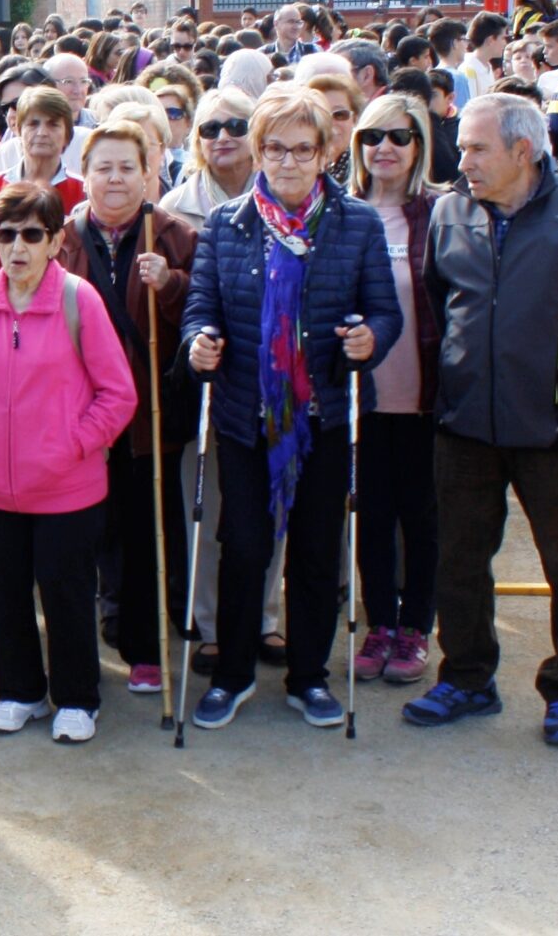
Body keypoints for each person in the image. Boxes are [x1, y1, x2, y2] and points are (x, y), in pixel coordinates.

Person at [408, 94, 558, 748]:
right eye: (462, 147)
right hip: (464, 426)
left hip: (555, 432)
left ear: (524, 150)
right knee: (459, 559)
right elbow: (438, 304)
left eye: (478, 147)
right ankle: (467, 675)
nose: (464, 159)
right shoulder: (451, 212)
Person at [181, 87, 401, 730]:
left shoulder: (355, 221)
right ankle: (233, 672)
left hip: (325, 415)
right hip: (247, 416)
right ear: (257, 151)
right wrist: (200, 342)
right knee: (244, 546)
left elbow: (383, 311)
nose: (288, 162)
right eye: (275, 148)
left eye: (303, 149)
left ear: (326, 151)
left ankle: (309, 675)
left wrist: (370, 340)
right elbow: (203, 306)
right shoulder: (228, 224)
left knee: (313, 550)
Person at [0, 180, 138, 742]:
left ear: (54, 240)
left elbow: (118, 393)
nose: (17, 245)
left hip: (67, 488)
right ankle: (20, 691)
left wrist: (71, 446)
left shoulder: (79, 299)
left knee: (66, 592)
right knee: (2, 593)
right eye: (6, 233)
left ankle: (77, 697)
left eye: (32, 233)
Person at [55, 119, 195, 692]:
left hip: (148, 418)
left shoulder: (175, 236)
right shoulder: (60, 238)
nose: (114, 178)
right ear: (83, 174)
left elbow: (203, 318)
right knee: (86, 530)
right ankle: (94, 630)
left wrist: (174, 284)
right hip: (79, 417)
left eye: (126, 167)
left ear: (149, 171)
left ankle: (142, 642)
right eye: (102, 167)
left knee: (144, 531)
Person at [346, 94, 443, 686]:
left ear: (419, 145)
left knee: (423, 516)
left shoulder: (444, 212)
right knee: (372, 515)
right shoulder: (341, 211)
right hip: (361, 399)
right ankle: (379, 622)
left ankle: (415, 627)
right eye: (371, 136)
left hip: (429, 395)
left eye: (398, 137)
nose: (383, 148)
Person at [0, 87, 85, 268]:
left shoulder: (84, 194)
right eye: (33, 124)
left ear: (67, 134)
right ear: (18, 130)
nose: (42, 133)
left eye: (53, 124)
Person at [160, 87, 257, 229]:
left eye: (236, 126)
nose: (223, 138)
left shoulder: (282, 197)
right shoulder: (172, 208)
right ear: (198, 142)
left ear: (256, 133)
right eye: (211, 129)